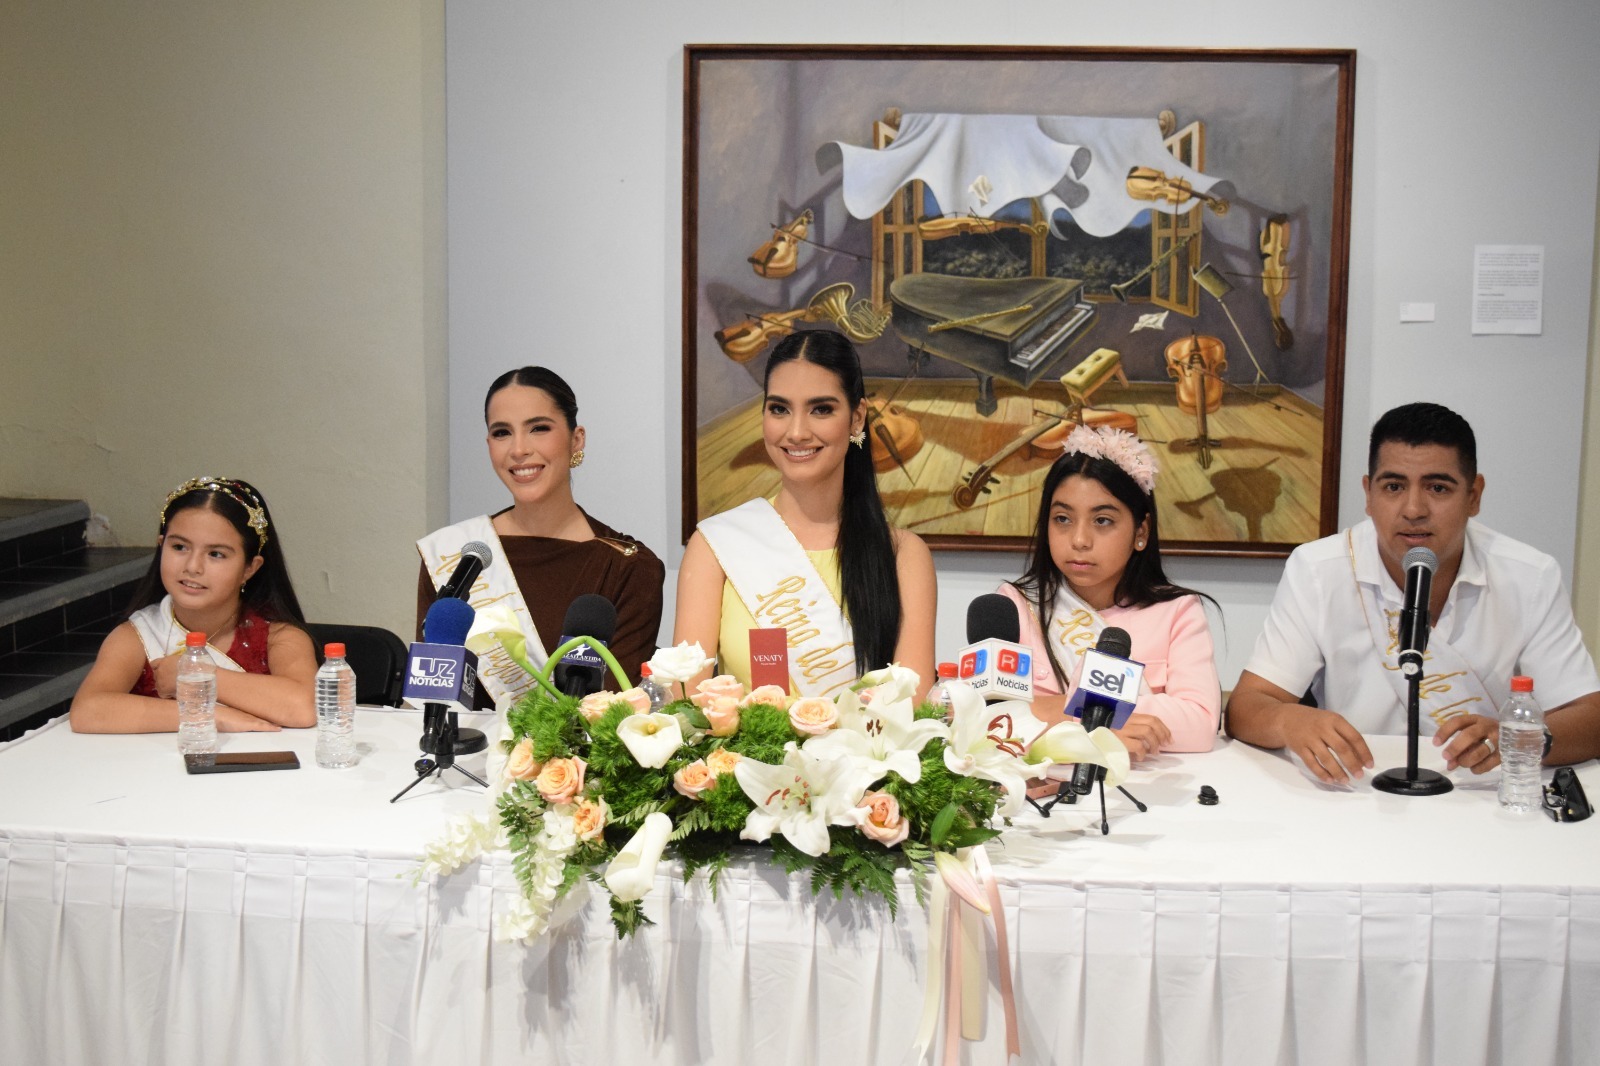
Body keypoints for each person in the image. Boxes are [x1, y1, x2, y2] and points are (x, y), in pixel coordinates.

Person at [1227, 402, 1600, 783]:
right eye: (1393, 487)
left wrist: (1522, 737)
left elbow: (1591, 717)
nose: (1414, 509)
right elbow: (1246, 707)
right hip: (1358, 785)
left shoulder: (1529, 576)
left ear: (1474, 496)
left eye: (1438, 488)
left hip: (1479, 788)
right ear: (1368, 494)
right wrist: (1288, 719)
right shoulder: (1319, 569)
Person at [674, 329, 936, 698]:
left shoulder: (903, 555)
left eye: (821, 409)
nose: (796, 432)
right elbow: (685, 703)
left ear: (857, 418)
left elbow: (913, 707)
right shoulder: (715, 546)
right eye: (779, 409)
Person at [417, 366, 664, 704]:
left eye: (538, 428)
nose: (519, 449)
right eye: (502, 432)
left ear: (577, 439)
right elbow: (431, 692)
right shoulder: (458, 556)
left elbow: (614, 712)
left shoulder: (628, 567)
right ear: (489, 445)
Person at [1001, 424, 1221, 761]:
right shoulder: (1014, 606)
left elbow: (1200, 724)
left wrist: (1052, 711)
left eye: (1102, 520)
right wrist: (1093, 723)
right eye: (1062, 519)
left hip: (1144, 783)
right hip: (1040, 782)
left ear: (1141, 531)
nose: (1079, 540)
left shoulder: (1178, 611)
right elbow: (985, 718)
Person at [71, 476, 317, 732]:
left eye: (216, 554)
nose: (192, 566)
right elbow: (88, 710)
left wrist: (194, 674)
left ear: (249, 568)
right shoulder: (136, 636)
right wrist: (208, 715)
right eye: (179, 547)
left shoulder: (279, 638)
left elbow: (303, 707)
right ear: (161, 546)